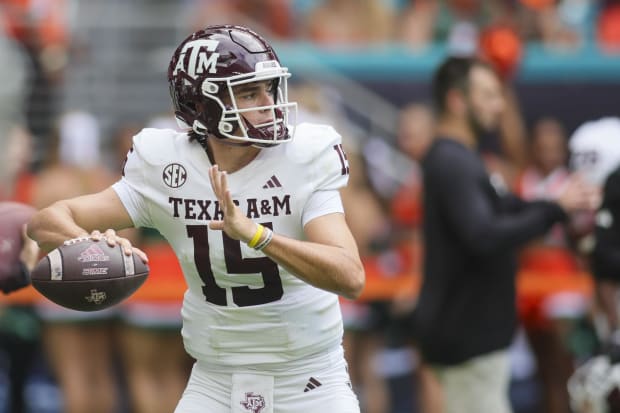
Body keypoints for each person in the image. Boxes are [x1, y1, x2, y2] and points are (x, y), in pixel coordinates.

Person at [28, 24, 364, 413]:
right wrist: (86, 244)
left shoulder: (302, 157)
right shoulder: (166, 165)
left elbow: (350, 276)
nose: (268, 104)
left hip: (309, 379)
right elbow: (47, 221)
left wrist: (257, 236)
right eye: (249, 92)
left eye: (269, 89)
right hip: (215, 381)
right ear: (203, 105)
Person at [411, 55, 598, 413]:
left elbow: (508, 206)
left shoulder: (461, 158)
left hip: (471, 341)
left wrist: (558, 203)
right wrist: (555, 209)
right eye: (489, 95)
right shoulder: (453, 160)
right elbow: (483, 234)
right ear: (457, 100)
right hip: (469, 344)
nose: (499, 106)